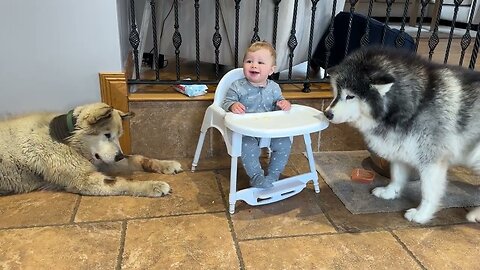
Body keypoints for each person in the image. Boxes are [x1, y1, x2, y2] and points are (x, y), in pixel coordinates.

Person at [222, 41, 292, 188]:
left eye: (260, 62)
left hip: (269, 128)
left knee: (285, 142)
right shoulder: (237, 86)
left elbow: (280, 101)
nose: (254, 65)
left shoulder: (274, 88)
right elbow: (226, 102)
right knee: (247, 146)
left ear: (271, 70)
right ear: (243, 65)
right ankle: (256, 176)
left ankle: (273, 174)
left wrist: (283, 104)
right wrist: (233, 105)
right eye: (249, 61)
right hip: (246, 130)